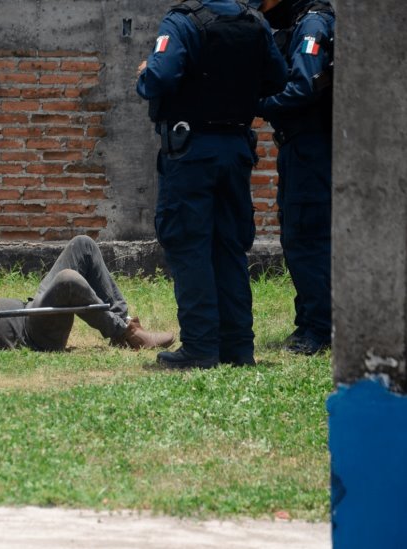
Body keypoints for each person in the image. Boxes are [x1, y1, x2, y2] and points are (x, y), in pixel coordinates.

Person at [136, 0, 288, 369]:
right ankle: (238, 347)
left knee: (190, 244)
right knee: (229, 247)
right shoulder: (255, 22)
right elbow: (279, 78)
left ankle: (201, 347)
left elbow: (158, 77)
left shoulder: (183, 22)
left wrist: (144, 70)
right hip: (235, 149)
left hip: (192, 153)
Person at [0, 208, 175, 351]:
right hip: (34, 335)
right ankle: (125, 334)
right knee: (68, 281)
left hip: (32, 309)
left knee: (83, 245)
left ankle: (125, 324)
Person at [250, 0, 335, 355]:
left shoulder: (312, 26)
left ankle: (318, 330)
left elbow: (302, 87)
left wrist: (255, 104)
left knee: (306, 236)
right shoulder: (304, 22)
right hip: (303, 149)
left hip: (310, 149)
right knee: (303, 235)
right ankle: (311, 323)